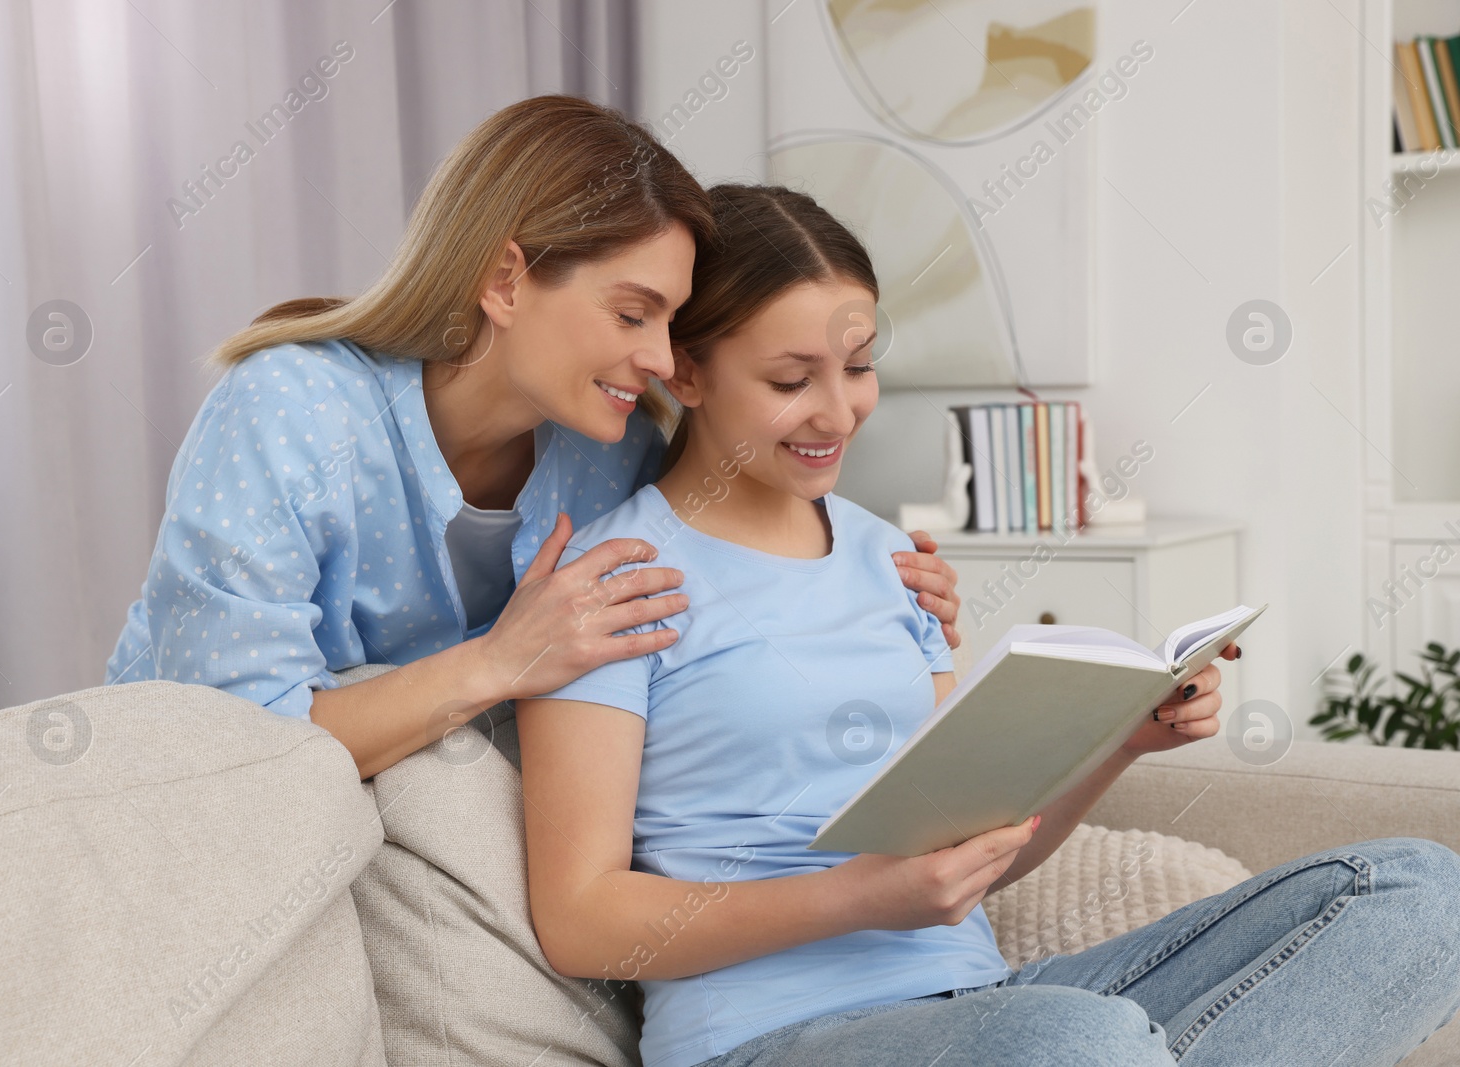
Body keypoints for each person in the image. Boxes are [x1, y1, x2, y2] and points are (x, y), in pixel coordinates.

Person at [515, 184, 1460, 1067]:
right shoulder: (613, 579)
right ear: (688, 367)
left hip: (987, 1006)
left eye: (857, 367)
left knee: (1419, 894)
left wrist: (1120, 743)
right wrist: (857, 896)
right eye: (790, 378)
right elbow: (581, 918)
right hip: (772, 1036)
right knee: (1083, 1043)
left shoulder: (894, 563)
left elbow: (966, 855)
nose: (838, 411)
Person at [104, 95, 966, 781]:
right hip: (180, 819)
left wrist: (875, 590)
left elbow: (715, 586)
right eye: (633, 313)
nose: (661, 358)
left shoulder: (606, 454)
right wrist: (496, 663)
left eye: (670, 321)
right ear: (505, 279)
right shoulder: (290, 410)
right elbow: (233, 746)